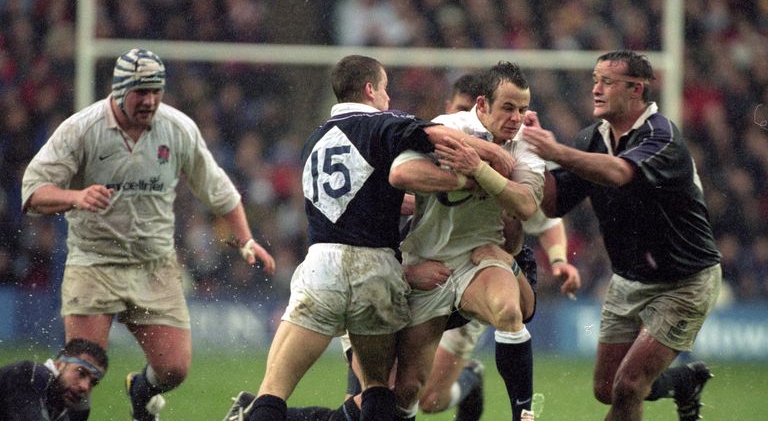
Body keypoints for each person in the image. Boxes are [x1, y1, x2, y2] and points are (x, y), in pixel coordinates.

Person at [224, 55, 513, 421]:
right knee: (378, 389)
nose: (389, 100)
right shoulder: (383, 124)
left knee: (272, 392)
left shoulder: (314, 139)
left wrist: (407, 203)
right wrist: (491, 158)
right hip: (374, 269)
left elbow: (356, 195)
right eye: (386, 90)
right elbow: (436, 136)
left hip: (321, 267)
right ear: (370, 89)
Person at [21, 48, 276, 421]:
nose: (150, 100)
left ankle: (140, 390)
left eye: (156, 91)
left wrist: (246, 241)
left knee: (175, 369)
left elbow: (217, 189)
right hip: (95, 263)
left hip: (154, 265)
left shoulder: (177, 128)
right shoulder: (82, 129)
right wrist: (75, 196)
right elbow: (32, 191)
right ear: (118, 90)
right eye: (141, 92)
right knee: (79, 377)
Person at [523, 49, 722, 421]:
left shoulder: (662, 137)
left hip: (684, 281)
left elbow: (618, 172)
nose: (596, 89)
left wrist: (557, 151)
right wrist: (527, 154)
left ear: (636, 89)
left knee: (628, 386)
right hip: (629, 280)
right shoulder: (591, 139)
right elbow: (551, 204)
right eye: (595, 80)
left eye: (607, 82)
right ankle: (682, 381)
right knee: (607, 389)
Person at [388, 61, 547, 421]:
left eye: (522, 109)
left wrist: (478, 168)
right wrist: (464, 181)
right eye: (507, 107)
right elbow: (401, 173)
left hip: (478, 258)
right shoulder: (446, 129)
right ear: (481, 105)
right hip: (427, 262)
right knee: (410, 388)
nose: (516, 118)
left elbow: (525, 203)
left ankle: (522, 415)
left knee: (510, 311)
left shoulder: (526, 145)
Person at [0, 338, 108, 421]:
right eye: (81, 373)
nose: (85, 386)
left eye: (93, 382)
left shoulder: (70, 408)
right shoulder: (28, 374)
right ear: (59, 364)